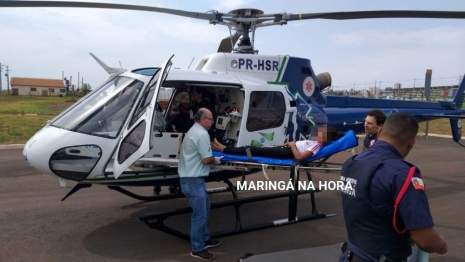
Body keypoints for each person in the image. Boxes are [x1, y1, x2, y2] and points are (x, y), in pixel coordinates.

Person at [339, 112, 448, 262]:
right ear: (411, 142)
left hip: (348, 254)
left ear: (379, 132)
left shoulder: (351, 163)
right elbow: (425, 241)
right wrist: (441, 245)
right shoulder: (403, 174)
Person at [178, 108, 221, 260]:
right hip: (193, 180)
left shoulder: (193, 130)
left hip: (192, 179)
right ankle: (197, 248)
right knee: (200, 215)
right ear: (203, 119)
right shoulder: (202, 134)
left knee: (206, 209)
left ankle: (204, 237)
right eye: (211, 119)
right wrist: (217, 159)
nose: (212, 122)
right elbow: (206, 159)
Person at [211, 125, 341, 162]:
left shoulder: (317, 146)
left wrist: (292, 145)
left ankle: (223, 149)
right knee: (251, 148)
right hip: (286, 149)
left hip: (288, 152)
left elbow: (300, 157)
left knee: (253, 150)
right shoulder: (315, 142)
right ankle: (223, 147)